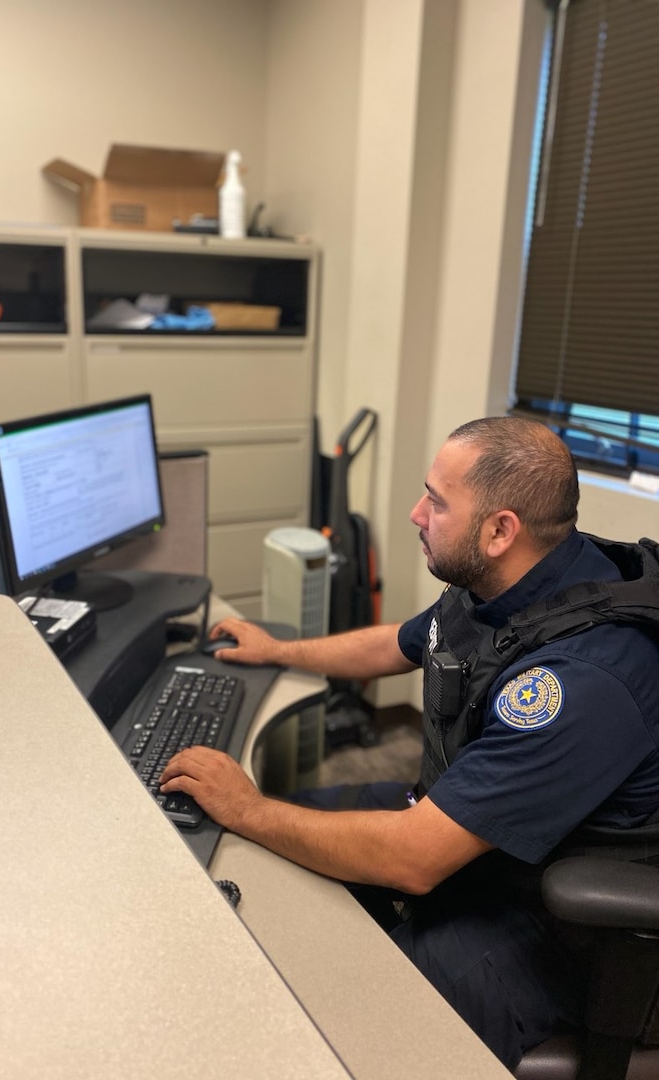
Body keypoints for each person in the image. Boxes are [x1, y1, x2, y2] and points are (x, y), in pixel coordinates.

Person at [159, 416, 659, 1070]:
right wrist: (278, 648)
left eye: (437, 501)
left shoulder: (581, 681)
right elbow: (405, 642)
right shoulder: (516, 577)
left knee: (361, 1030)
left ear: (501, 528)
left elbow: (413, 861)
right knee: (265, 859)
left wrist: (248, 807)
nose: (416, 513)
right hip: (469, 830)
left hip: (552, 922)